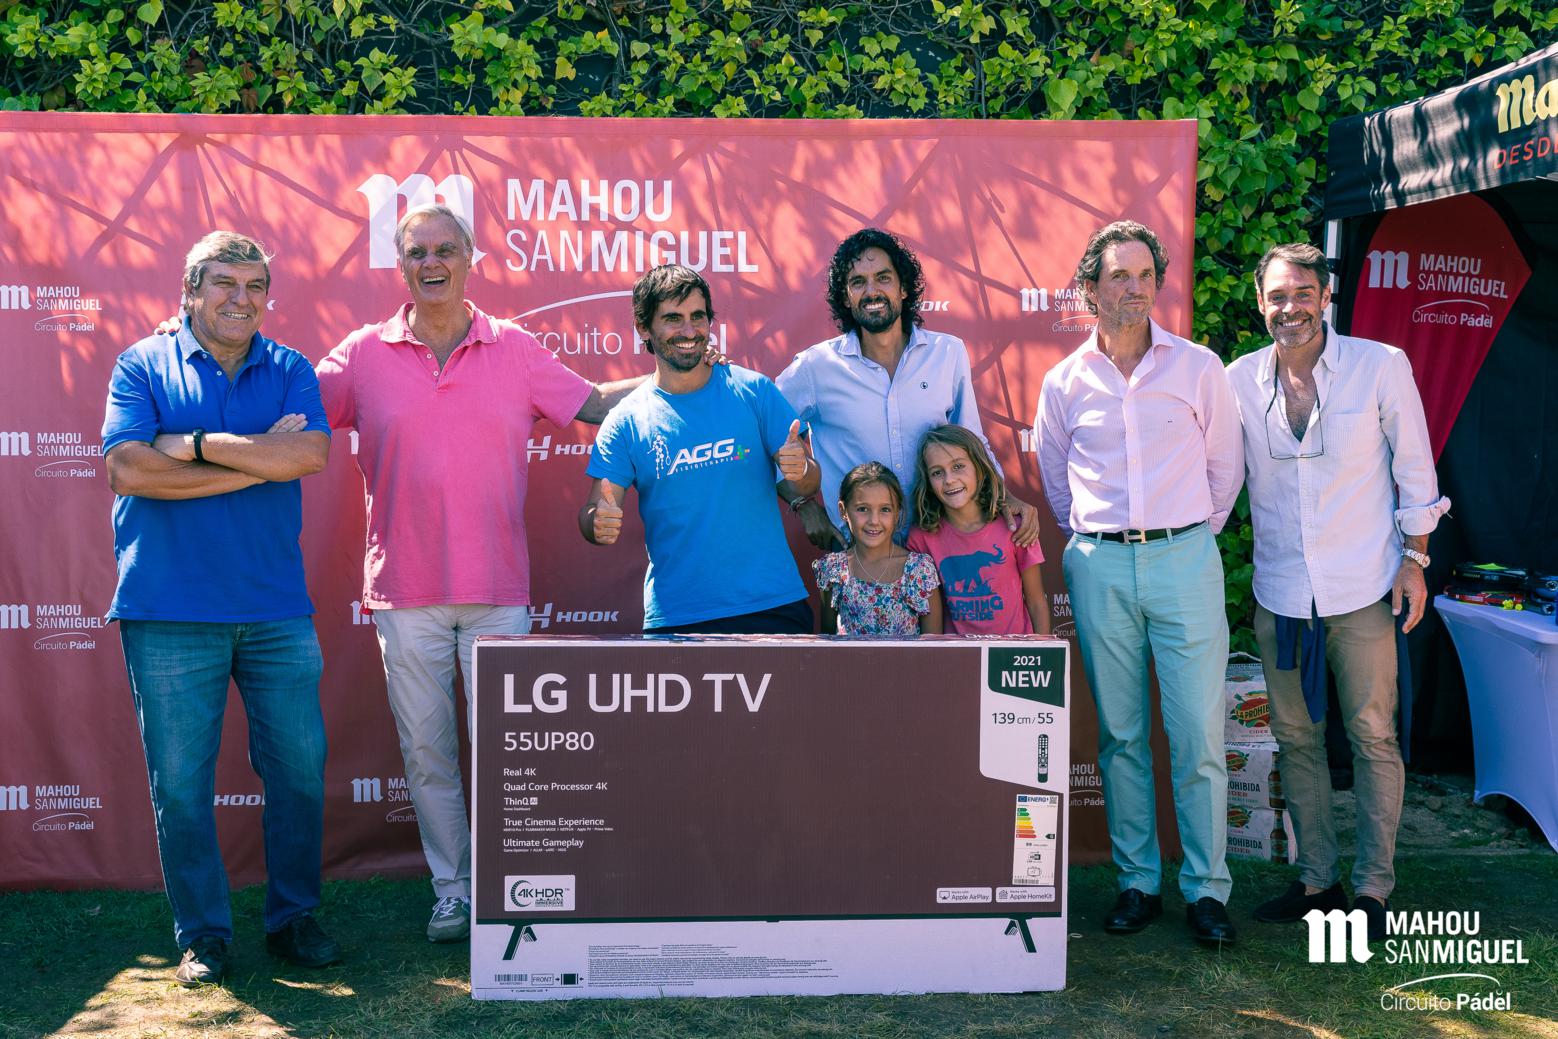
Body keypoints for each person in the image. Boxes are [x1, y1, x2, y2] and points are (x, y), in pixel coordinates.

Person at [315, 203, 648, 943]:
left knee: (510, 755)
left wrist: (678, 374)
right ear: (400, 265)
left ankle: (509, 888)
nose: (430, 263)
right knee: (427, 753)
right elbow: (293, 405)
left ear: (470, 258)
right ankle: (453, 890)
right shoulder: (363, 353)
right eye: (416, 252)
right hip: (406, 594)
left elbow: (595, 403)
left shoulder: (515, 348)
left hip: (499, 592)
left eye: (444, 249)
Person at [102, 231, 338, 986]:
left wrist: (195, 443)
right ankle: (203, 934)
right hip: (167, 610)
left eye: (255, 285)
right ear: (191, 290)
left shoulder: (291, 367)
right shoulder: (142, 363)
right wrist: (255, 459)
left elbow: (308, 455)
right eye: (225, 283)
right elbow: (129, 469)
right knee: (180, 787)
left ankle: (293, 917)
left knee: (299, 773)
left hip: (275, 610)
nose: (242, 298)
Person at [1227, 243, 1449, 941]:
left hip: (1363, 588)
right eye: (1276, 296)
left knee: (1373, 735)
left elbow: (1416, 469)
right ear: (1259, 303)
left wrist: (1415, 559)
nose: (1289, 307)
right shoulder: (1236, 381)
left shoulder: (1380, 366)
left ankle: (1374, 889)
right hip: (1282, 593)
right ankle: (1317, 881)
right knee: (1296, 738)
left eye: (1302, 293)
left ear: (1327, 296)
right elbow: (1218, 478)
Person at [1034, 220, 1243, 946]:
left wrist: (1183, 536)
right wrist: (1102, 541)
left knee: (1197, 734)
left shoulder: (1199, 368)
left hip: (1185, 558)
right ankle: (1137, 881)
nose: (1134, 288)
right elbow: (1055, 481)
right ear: (1089, 289)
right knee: (1121, 735)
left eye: (1145, 274)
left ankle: (1207, 889)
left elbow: (1225, 469)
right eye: (1118, 275)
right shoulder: (1064, 382)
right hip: (1099, 564)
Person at [580, 264, 820, 634]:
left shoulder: (754, 390)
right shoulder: (625, 420)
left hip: (771, 605)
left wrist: (801, 470)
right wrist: (597, 523)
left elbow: (807, 483)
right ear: (643, 327)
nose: (690, 331)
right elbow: (595, 510)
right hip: (677, 617)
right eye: (673, 319)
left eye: (698, 316)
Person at [775, 227, 1039, 549]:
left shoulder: (947, 353)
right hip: (859, 553)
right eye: (858, 282)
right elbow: (764, 431)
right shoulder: (816, 367)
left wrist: (1005, 496)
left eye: (883, 278)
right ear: (845, 297)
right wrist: (803, 506)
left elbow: (971, 439)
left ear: (903, 288)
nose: (872, 291)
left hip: (939, 544)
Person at [907, 425, 1049, 635]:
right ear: (927, 481)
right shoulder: (921, 538)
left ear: (980, 468)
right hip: (956, 652)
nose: (949, 480)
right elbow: (930, 616)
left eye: (958, 466)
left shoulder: (1016, 527)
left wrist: (1042, 650)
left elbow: (1036, 602)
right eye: (937, 472)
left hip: (1013, 651)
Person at [815, 462, 943, 636]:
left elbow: (934, 645)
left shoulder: (919, 570)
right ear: (843, 510)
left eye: (885, 509)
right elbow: (827, 640)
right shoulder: (833, 570)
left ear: (897, 513)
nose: (874, 521)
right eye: (862, 509)